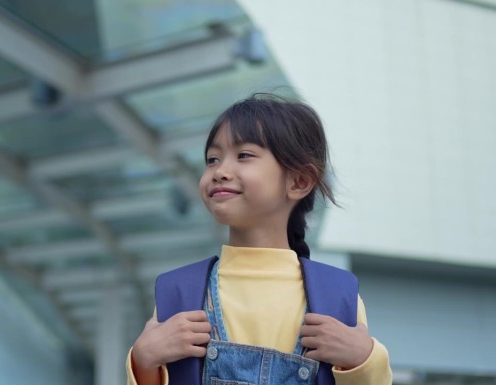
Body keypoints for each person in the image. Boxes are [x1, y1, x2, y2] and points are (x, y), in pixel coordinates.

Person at [126, 94, 392, 385]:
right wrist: (143, 361)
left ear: (299, 181)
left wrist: (365, 359)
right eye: (212, 160)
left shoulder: (339, 296)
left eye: (244, 155)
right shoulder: (178, 292)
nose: (220, 172)